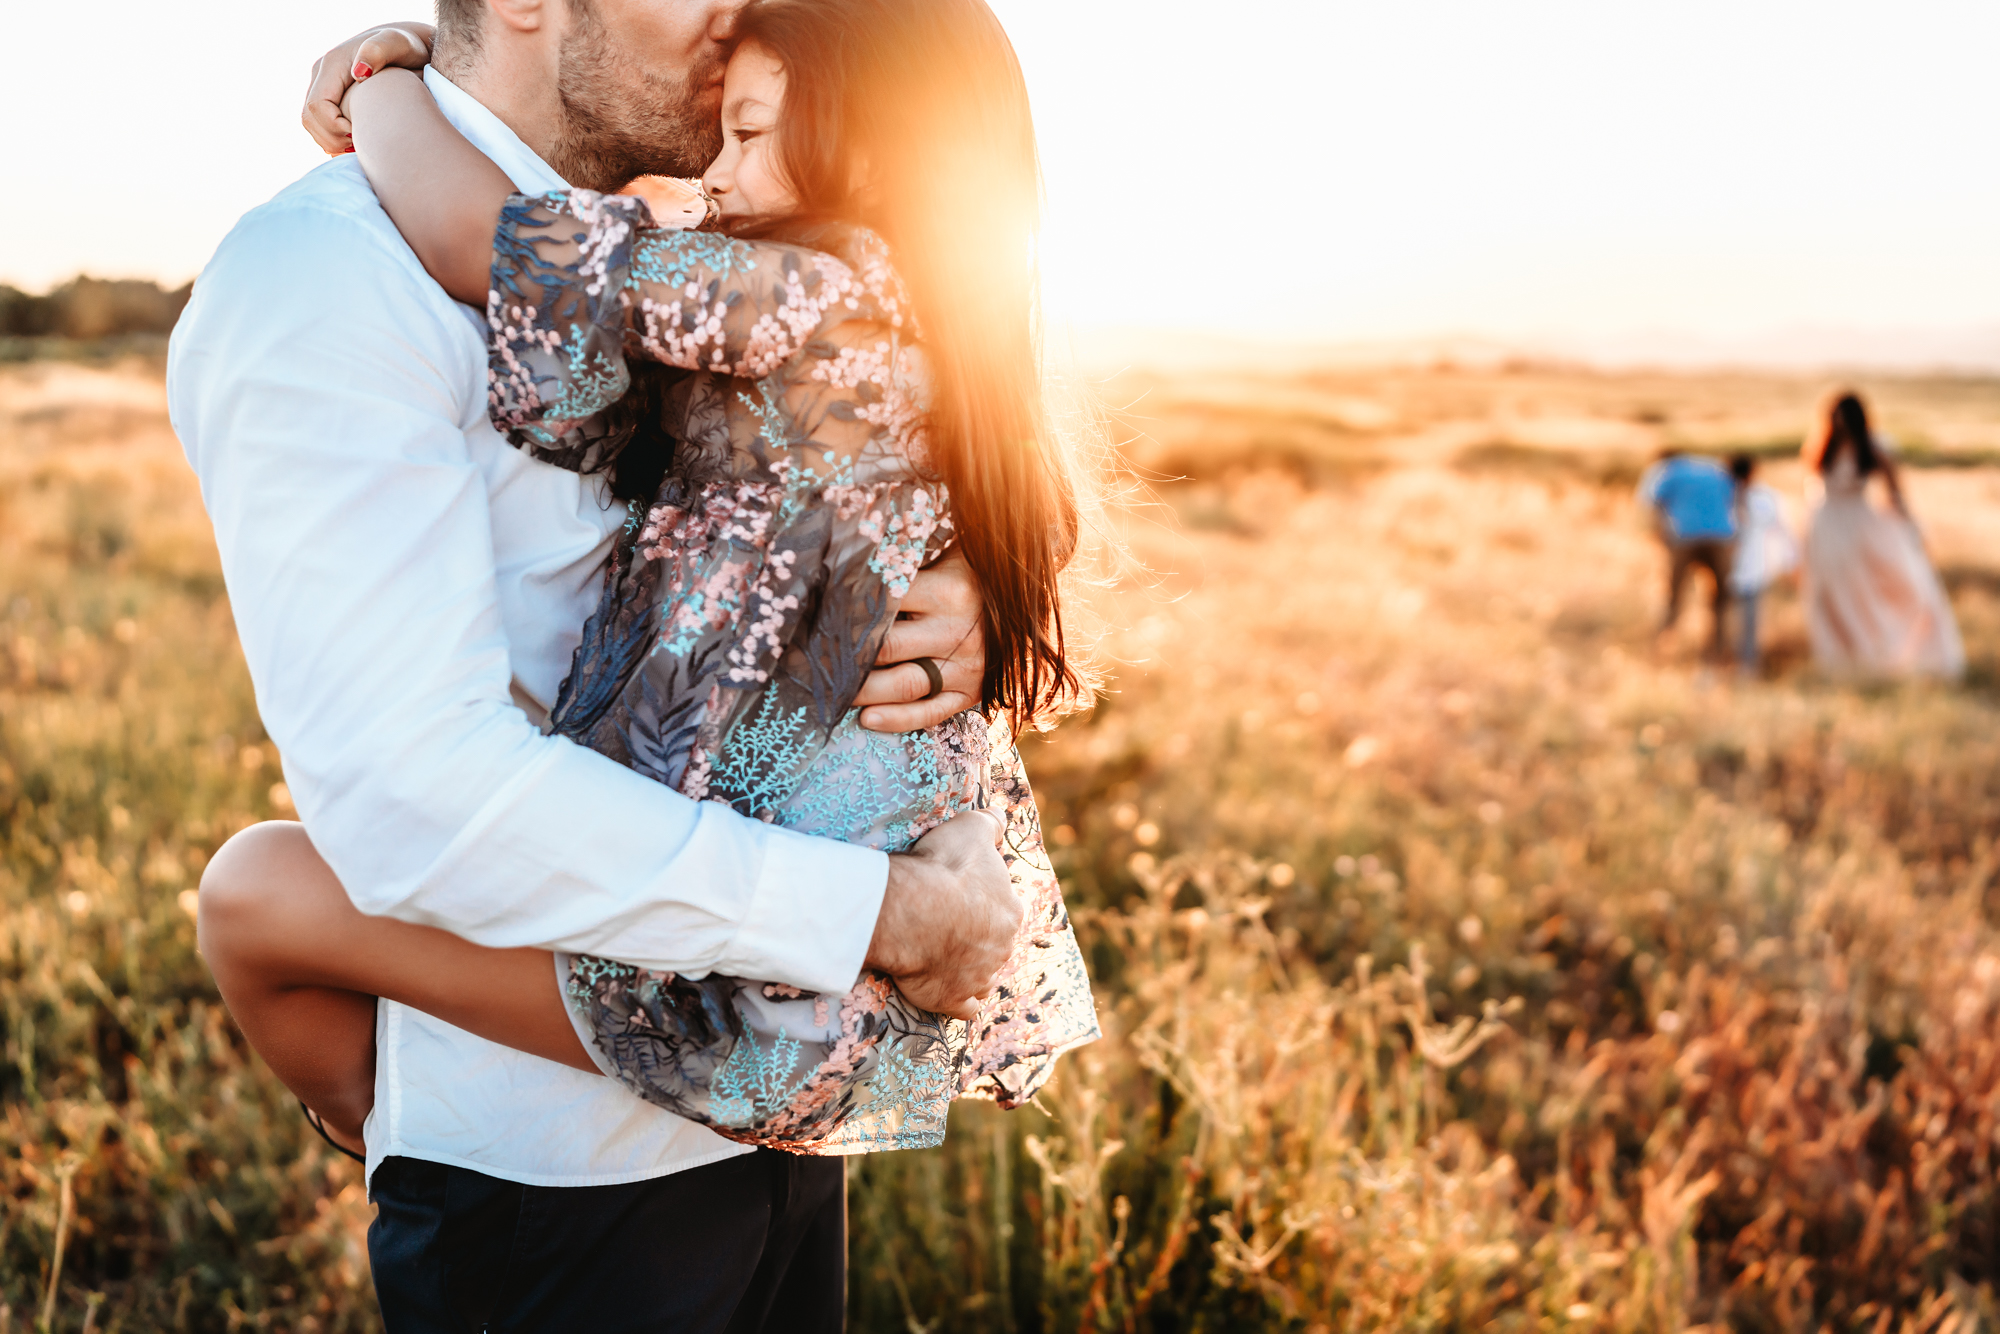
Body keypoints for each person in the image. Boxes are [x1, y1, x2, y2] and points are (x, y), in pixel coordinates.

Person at [166, 1, 1073, 1328]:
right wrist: (864, 914)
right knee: (253, 891)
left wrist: (947, 592)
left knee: (253, 893)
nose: (735, 8)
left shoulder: (716, 267)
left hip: (770, 1148)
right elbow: (418, 803)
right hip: (557, 1181)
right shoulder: (330, 278)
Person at [1800, 392, 1964, 679]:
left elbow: (1895, 494)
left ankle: (1875, 654)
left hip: (1856, 528)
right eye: (1833, 415)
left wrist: (1911, 530)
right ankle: (1837, 658)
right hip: (1824, 526)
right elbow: (1814, 487)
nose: (1837, 421)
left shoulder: (1875, 448)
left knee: (1862, 592)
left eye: (1843, 415)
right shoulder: (1825, 446)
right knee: (1825, 593)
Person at [1636, 448, 1738, 658]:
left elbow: (1649, 501)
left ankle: (1662, 646)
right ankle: (1717, 649)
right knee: (1719, 598)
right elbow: (1732, 499)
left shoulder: (1668, 470)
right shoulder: (1714, 468)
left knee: (1673, 595)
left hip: (1683, 537)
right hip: (1720, 537)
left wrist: (1660, 532)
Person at [1726, 453, 1799, 675]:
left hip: (1751, 567)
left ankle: (1748, 665)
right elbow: (1783, 530)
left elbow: (1782, 530)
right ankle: (1733, 662)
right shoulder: (1758, 497)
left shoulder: (1762, 498)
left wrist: (1790, 561)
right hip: (1734, 569)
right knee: (1734, 621)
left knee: (1747, 621)